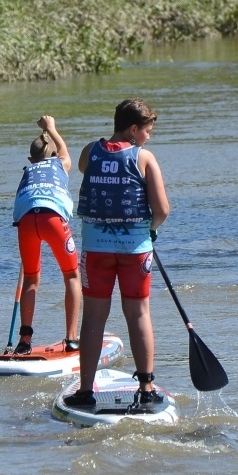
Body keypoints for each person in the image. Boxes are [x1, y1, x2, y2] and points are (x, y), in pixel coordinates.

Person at [71, 99, 170, 409]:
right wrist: (151, 230)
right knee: (139, 314)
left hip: (96, 249)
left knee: (93, 317)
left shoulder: (90, 151)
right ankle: (146, 386)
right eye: (147, 131)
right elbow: (162, 210)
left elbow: (88, 170)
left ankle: (86, 391)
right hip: (135, 250)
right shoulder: (144, 158)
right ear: (133, 129)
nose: (149, 137)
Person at [10, 115, 82, 353]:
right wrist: (51, 128)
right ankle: (71, 339)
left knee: (31, 278)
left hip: (27, 222)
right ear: (53, 156)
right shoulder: (59, 164)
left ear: (31, 159)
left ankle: (24, 342)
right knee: (72, 275)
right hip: (52, 219)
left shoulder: (27, 171)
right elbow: (64, 152)